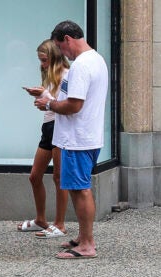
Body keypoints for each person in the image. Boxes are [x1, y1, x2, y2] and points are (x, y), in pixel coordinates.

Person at [34, 20, 108, 259]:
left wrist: (48, 103)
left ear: (67, 39)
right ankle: (83, 237)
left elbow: (74, 105)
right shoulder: (96, 59)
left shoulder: (81, 66)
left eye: (60, 46)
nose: (61, 53)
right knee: (78, 188)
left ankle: (87, 244)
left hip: (78, 137)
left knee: (80, 189)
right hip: (86, 135)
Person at [18, 39, 70, 239]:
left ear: (54, 58)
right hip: (48, 127)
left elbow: (65, 104)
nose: (42, 64)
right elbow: (50, 101)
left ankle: (60, 224)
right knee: (34, 175)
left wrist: (44, 94)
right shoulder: (51, 75)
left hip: (59, 125)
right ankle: (41, 219)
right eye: (40, 60)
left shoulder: (66, 75)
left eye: (45, 60)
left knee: (59, 178)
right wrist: (41, 94)